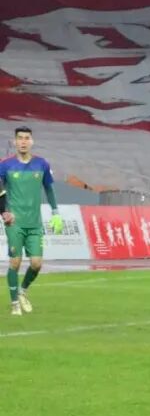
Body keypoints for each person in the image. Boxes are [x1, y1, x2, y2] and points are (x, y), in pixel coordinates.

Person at [0, 126, 64, 316]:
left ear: (32, 141)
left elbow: (49, 189)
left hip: (35, 223)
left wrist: (55, 212)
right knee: (15, 262)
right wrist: (3, 212)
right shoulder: (5, 165)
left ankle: (23, 291)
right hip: (15, 222)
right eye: (20, 138)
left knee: (36, 263)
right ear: (14, 142)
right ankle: (14, 304)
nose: (23, 141)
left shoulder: (41, 164)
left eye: (27, 138)